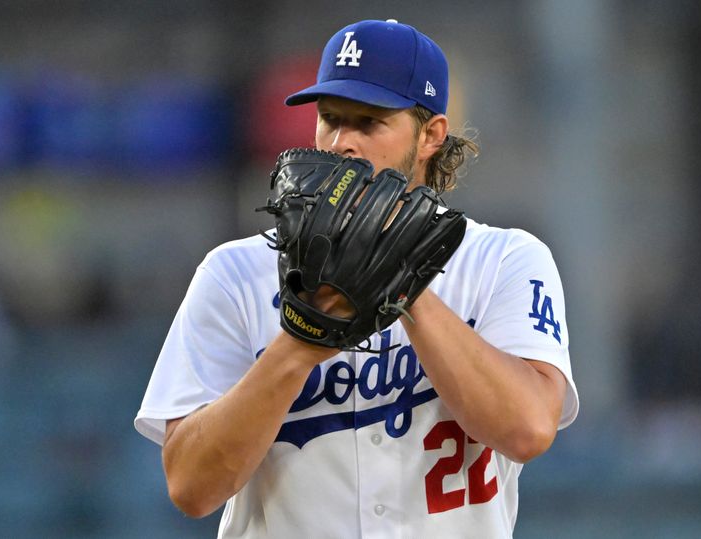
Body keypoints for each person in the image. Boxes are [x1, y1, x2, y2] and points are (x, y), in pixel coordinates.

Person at [135, 19, 579, 538]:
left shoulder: (502, 261)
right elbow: (191, 487)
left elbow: (526, 429)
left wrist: (403, 285)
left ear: (431, 134)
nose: (341, 142)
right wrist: (297, 346)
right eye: (330, 119)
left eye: (368, 123)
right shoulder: (236, 274)